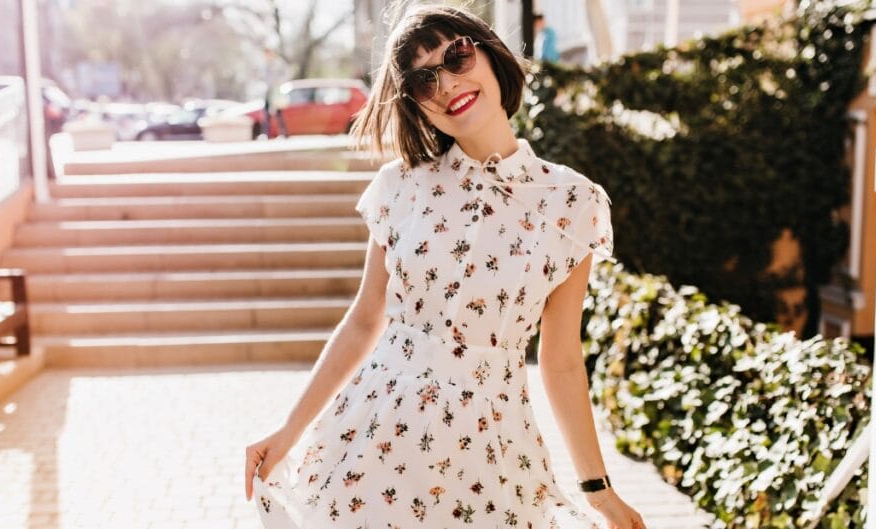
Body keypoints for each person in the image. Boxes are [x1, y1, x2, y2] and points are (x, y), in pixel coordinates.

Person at [245, 5, 647, 529]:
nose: (447, 83)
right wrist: (288, 431)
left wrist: (598, 489)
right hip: (376, 439)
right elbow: (366, 320)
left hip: (492, 450)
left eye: (457, 56)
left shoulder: (573, 204)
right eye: (421, 79)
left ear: (488, 52)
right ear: (415, 104)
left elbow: (563, 360)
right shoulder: (400, 188)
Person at [260, 47, 289, 138]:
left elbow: (285, 74)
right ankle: (266, 134)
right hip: (268, 91)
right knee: (266, 114)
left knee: (278, 113)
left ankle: (283, 133)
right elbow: (263, 78)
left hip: (276, 91)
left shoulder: (278, 64)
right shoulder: (265, 65)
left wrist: (278, 83)